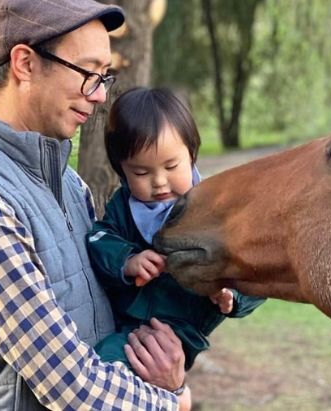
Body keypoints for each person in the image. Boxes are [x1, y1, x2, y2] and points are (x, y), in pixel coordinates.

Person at [0, 1, 190, 409]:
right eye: (88, 74)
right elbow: (70, 386)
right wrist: (173, 401)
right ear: (25, 63)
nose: (101, 95)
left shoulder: (69, 184)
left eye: (104, 76)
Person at [87, 87, 266, 379]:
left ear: (191, 154)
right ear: (122, 171)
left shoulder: (214, 209)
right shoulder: (125, 205)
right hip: (123, 318)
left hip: (179, 330)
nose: (159, 182)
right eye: (141, 173)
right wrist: (127, 260)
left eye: (171, 166)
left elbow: (255, 268)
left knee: (108, 364)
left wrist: (232, 296)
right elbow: (98, 238)